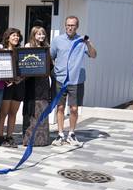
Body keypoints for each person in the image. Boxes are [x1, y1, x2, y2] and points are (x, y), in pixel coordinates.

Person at [50, 16, 96, 146]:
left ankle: (71, 134)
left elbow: (93, 55)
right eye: (68, 25)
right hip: (60, 79)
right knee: (60, 107)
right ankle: (60, 134)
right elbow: (51, 57)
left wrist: (88, 43)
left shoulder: (82, 41)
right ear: (65, 26)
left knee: (74, 109)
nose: (70, 27)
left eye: (73, 25)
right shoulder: (57, 40)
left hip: (76, 80)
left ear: (77, 26)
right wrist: (56, 70)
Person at [22, 26, 52, 145]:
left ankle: (42, 140)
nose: (41, 36)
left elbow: (50, 65)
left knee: (43, 107)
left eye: (43, 34)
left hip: (43, 83)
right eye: (38, 34)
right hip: (31, 82)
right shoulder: (28, 46)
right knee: (31, 108)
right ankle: (29, 139)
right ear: (33, 35)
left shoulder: (47, 47)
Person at [0, 28, 25, 148]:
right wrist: (4, 79)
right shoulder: (2, 51)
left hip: (19, 85)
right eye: (13, 35)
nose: (16, 38)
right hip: (6, 85)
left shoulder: (21, 52)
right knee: (3, 112)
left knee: (13, 113)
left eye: (17, 36)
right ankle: (0, 137)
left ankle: (9, 137)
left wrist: (21, 78)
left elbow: (26, 68)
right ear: (8, 37)